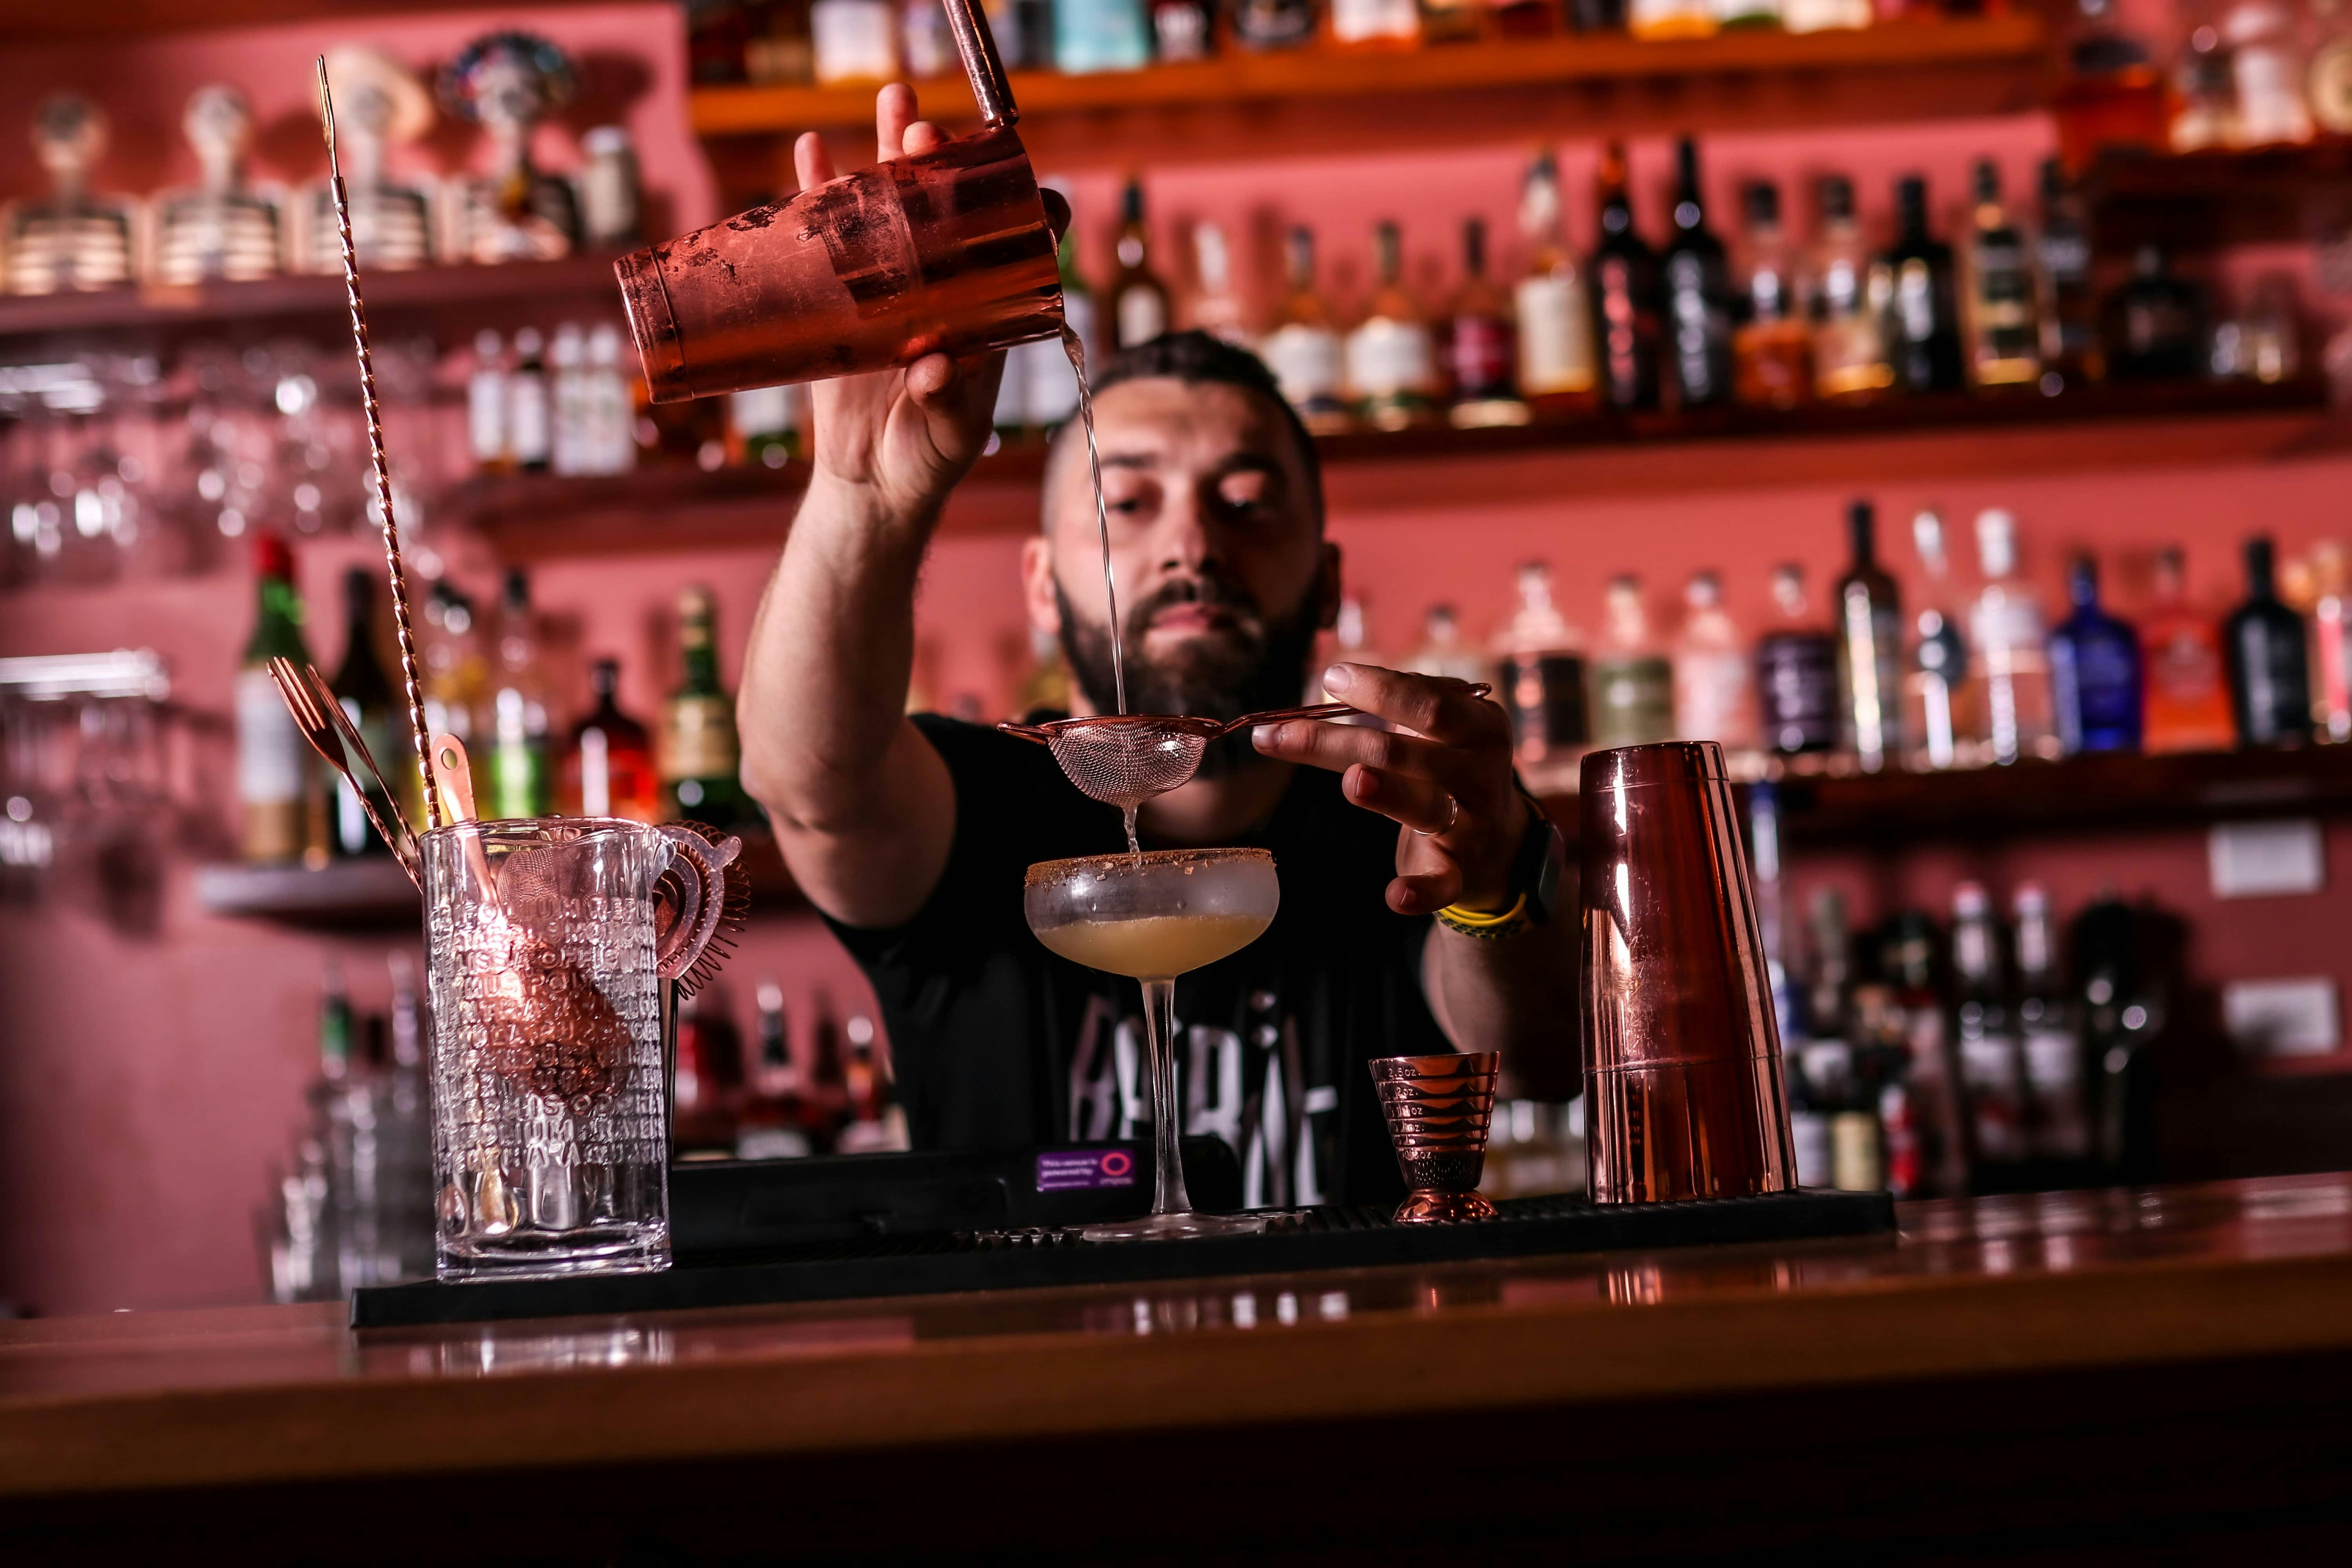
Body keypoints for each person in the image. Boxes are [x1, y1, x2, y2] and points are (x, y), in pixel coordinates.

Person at [739, 86, 1577, 1209]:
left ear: (1325, 581)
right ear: (1042, 586)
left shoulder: (1397, 814)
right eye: (1124, 505)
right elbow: (808, 785)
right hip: (1035, 1386)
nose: (1192, 543)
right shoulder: (973, 815)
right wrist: (864, 496)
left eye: (1245, 501)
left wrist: (1490, 871)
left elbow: (1537, 1061)